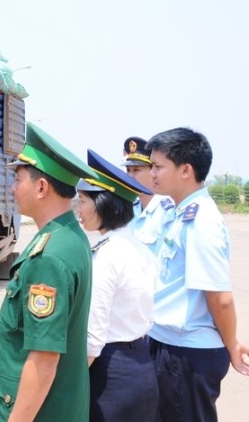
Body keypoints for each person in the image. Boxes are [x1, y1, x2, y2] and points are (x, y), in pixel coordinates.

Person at [0, 122, 97, 422]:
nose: (12, 187)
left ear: (41, 187)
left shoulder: (50, 256)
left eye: (18, 178)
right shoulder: (70, 237)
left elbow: (44, 359)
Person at [146, 127, 249, 421]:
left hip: (186, 353)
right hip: (168, 344)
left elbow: (220, 298)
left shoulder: (201, 220)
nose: (152, 173)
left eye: (158, 166)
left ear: (185, 170)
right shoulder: (177, 212)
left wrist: (232, 345)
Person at [75, 149, 158, 422]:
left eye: (84, 200)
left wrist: (68, 383)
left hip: (110, 373)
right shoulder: (139, 248)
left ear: (103, 205)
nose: (78, 207)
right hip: (142, 365)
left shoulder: (106, 256)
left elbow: (93, 339)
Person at [121, 136, 174, 252]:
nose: (130, 176)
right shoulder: (129, 208)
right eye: (128, 170)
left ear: (153, 171)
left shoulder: (167, 212)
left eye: (136, 170)